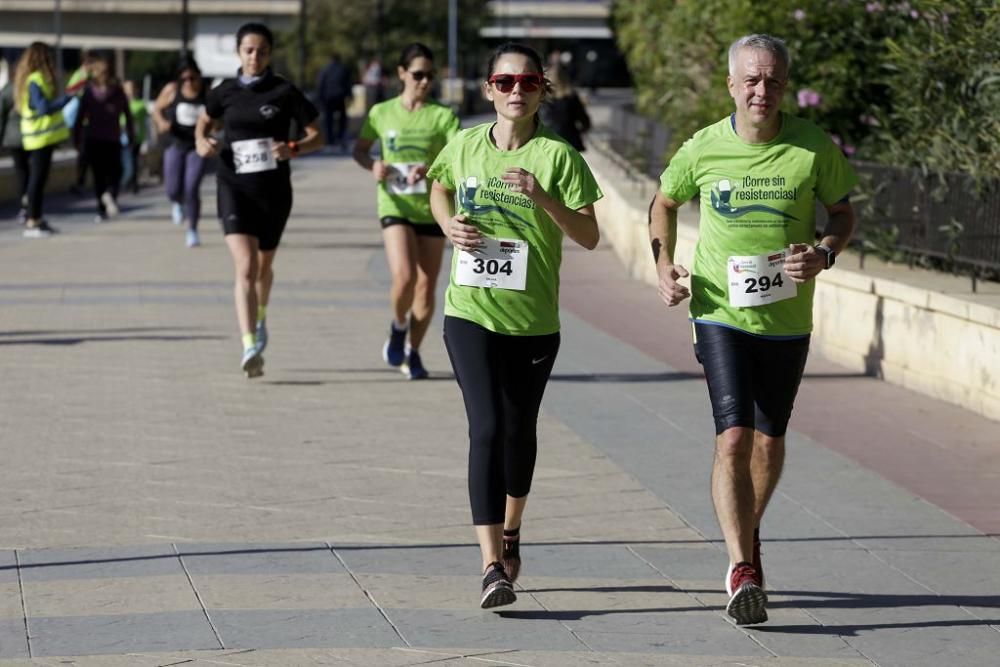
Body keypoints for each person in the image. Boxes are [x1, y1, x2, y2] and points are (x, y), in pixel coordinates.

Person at [648, 34, 858, 626]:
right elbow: (663, 202)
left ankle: (747, 529)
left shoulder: (814, 148)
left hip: (788, 317)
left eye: (772, 81)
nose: (761, 90)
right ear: (732, 85)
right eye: (751, 80)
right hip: (719, 309)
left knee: (769, 439)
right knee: (734, 437)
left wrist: (823, 252)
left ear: (785, 85)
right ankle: (742, 567)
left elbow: (842, 213)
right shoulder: (704, 147)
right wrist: (663, 265)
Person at [427, 42, 602, 608]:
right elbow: (438, 185)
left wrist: (542, 197)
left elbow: (591, 235)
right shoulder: (465, 145)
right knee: (485, 429)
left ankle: (513, 528)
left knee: (518, 430)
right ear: (488, 89)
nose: (515, 91)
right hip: (470, 311)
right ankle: (491, 566)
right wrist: (447, 223)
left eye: (527, 82)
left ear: (541, 90)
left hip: (532, 321)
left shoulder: (559, 156)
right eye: (504, 82)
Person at [195, 22, 322, 378]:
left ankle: (261, 313)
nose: (255, 57)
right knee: (246, 267)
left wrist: (293, 147)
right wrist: (201, 142)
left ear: (270, 54)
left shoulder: (284, 91)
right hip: (232, 185)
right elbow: (203, 123)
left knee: (264, 268)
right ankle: (249, 343)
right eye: (249, 50)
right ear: (238, 52)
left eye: (262, 51)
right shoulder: (224, 91)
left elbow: (317, 135)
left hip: (274, 191)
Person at [353, 43, 460, 380]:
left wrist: (429, 168)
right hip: (394, 204)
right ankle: (399, 326)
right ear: (401, 74)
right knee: (405, 277)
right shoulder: (381, 113)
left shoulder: (444, 116)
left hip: (432, 208)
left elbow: (458, 157)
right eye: (418, 74)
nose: (424, 81)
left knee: (427, 287)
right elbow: (359, 151)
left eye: (430, 75)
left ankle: (412, 351)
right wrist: (373, 166)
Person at [13, 42, 71, 238]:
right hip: (40, 137)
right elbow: (43, 108)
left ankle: (36, 218)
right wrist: (65, 100)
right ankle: (32, 220)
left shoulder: (29, 80)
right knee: (37, 181)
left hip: (38, 137)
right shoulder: (36, 80)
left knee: (37, 180)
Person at [153, 58, 208, 247]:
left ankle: (192, 229)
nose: (189, 82)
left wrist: (215, 128)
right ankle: (177, 202)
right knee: (172, 189)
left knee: (192, 187)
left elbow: (216, 116)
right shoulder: (172, 90)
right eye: (184, 79)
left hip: (197, 146)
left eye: (192, 78)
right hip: (175, 143)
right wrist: (161, 122)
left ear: (198, 75)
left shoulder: (206, 92)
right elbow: (157, 109)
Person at [75, 55, 133, 222]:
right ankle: (110, 196)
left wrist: (77, 137)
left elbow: (80, 117)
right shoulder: (118, 91)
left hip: (94, 138)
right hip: (111, 137)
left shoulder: (89, 92)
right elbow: (127, 115)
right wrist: (130, 134)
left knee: (99, 175)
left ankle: (101, 209)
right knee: (115, 171)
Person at [538, 62, 590, 152]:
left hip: (547, 143)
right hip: (570, 142)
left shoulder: (542, 99)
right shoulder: (571, 98)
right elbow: (585, 121)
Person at [0, 80, 29, 224]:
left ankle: (24, 205)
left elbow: (1, 116)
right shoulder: (29, 87)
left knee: (21, 173)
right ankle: (29, 203)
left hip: (13, 138)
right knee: (31, 173)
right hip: (31, 137)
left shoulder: (7, 90)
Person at [316, 52, 352, 152]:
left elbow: (320, 84)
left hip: (328, 98)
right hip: (340, 97)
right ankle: (340, 138)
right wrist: (349, 96)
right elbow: (348, 84)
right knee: (342, 120)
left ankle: (329, 140)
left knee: (328, 120)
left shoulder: (325, 70)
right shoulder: (343, 69)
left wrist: (320, 98)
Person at [120, 80, 148, 195]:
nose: (129, 91)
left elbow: (133, 115)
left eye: (131, 88)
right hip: (122, 136)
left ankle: (133, 183)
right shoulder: (121, 103)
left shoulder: (140, 104)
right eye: (126, 89)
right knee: (125, 160)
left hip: (135, 137)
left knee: (133, 160)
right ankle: (128, 181)